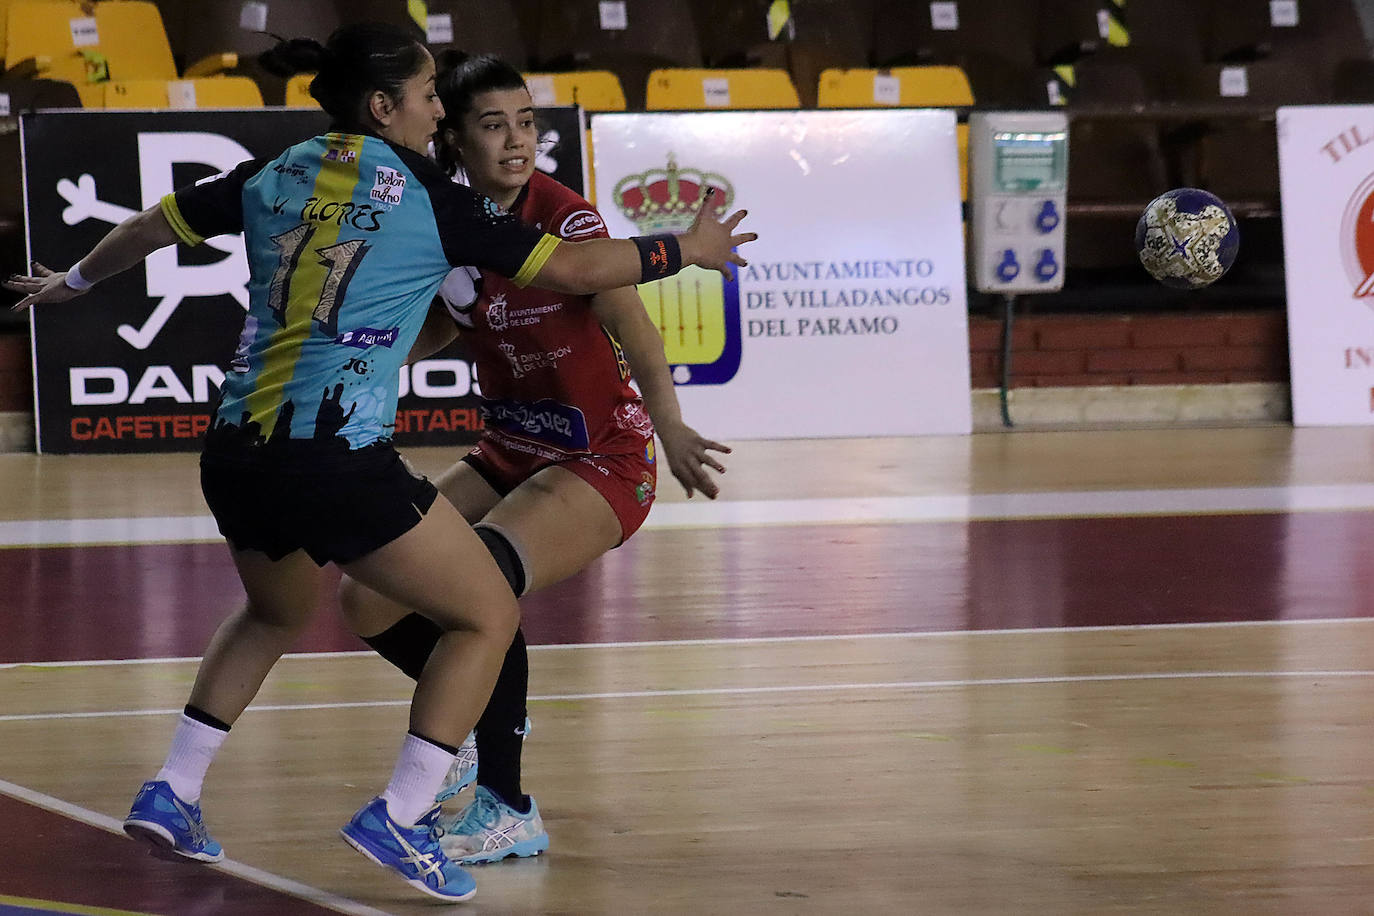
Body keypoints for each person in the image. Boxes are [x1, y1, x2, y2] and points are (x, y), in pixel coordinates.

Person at [4, 24, 754, 903]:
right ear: (385, 106)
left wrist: (72, 288)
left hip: (237, 448)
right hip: (336, 454)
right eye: (435, 97)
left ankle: (174, 791)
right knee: (482, 614)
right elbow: (585, 268)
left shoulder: (275, 171)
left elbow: (153, 226)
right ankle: (403, 814)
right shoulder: (433, 197)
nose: (439, 110)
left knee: (274, 611)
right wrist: (685, 249)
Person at [336, 51, 735, 866]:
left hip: (601, 457)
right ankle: (475, 729)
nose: (518, 141)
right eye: (494, 125)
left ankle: (506, 805)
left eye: (527, 122)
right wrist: (366, 366)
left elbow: (638, 332)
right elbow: (456, 314)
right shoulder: (446, 217)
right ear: (454, 136)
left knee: (479, 581)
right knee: (365, 595)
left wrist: (672, 425)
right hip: (510, 447)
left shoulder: (569, 220)